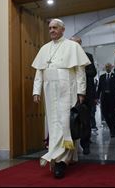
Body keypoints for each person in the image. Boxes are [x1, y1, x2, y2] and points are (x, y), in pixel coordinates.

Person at [32, 18, 91, 179]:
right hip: (49, 89)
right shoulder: (44, 48)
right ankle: (58, 157)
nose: (51, 30)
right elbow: (39, 72)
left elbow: (80, 71)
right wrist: (36, 91)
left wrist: (81, 91)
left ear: (63, 30)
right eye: (50, 28)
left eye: (55, 28)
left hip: (67, 88)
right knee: (53, 124)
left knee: (65, 124)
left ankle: (61, 162)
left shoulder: (73, 46)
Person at [70, 36, 97, 155]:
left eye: (78, 43)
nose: (76, 45)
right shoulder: (67, 57)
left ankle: (85, 144)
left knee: (86, 121)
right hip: (70, 93)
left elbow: (93, 72)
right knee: (71, 120)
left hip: (86, 94)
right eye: (73, 43)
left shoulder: (88, 56)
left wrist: (80, 71)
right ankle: (70, 147)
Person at [96, 63, 115, 138]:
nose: (107, 68)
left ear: (111, 67)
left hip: (113, 98)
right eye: (106, 66)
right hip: (104, 98)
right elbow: (99, 88)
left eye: (109, 66)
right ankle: (111, 127)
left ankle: (114, 130)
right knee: (105, 113)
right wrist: (96, 97)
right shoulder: (102, 77)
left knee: (114, 114)